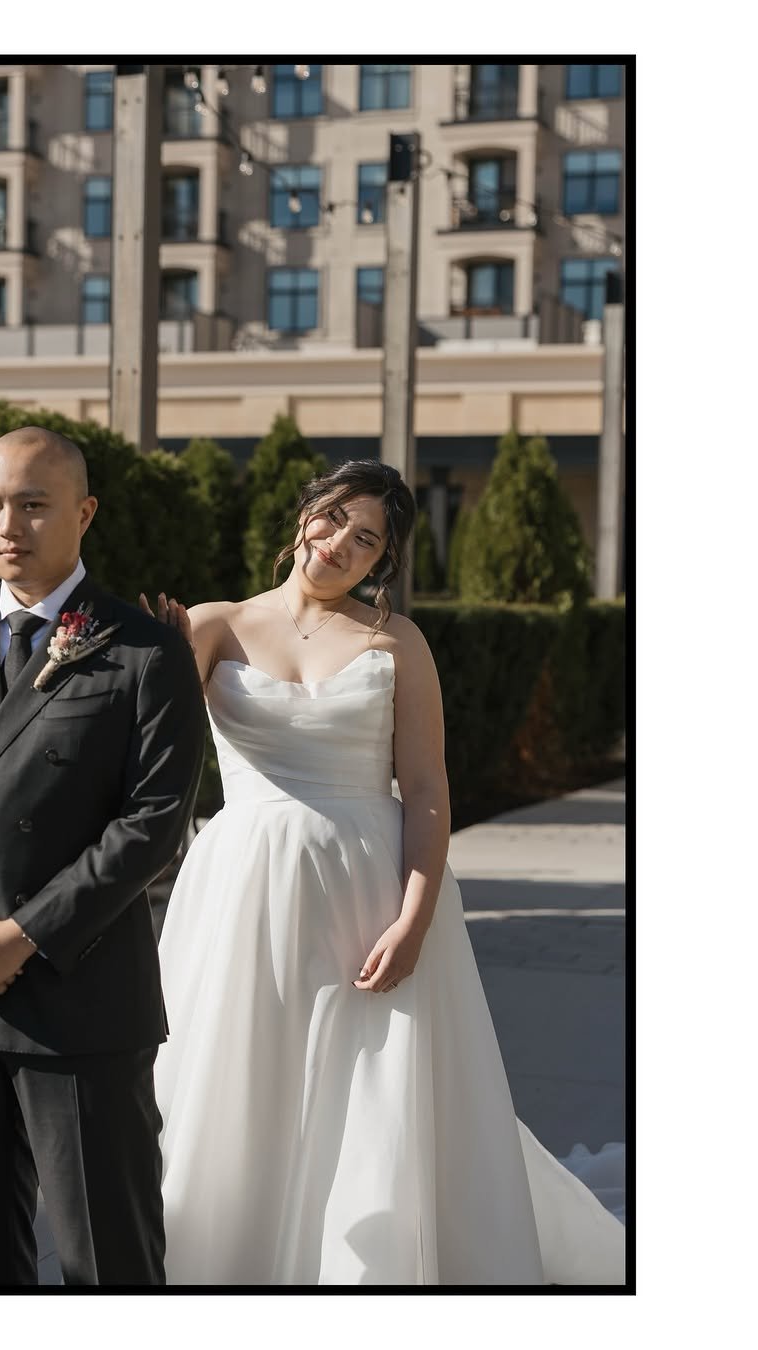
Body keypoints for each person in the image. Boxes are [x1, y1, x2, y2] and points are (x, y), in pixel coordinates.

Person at [144, 459, 625, 1285]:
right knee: (240, 1084)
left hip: (369, 893)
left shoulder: (394, 640)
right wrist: (151, 657)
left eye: (366, 540)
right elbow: (147, 753)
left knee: (369, 1096)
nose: (339, 544)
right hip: (240, 894)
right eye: (332, 520)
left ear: (382, 564)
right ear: (304, 517)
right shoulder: (213, 626)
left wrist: (414, 918)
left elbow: (429, 787)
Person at [0, 426, 205, 1287]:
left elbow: (154, 820)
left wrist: (18, 934)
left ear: (84, 513)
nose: (7, 524)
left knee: (107, 1255)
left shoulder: (144, 650)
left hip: (79, 996)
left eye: (32, 504)